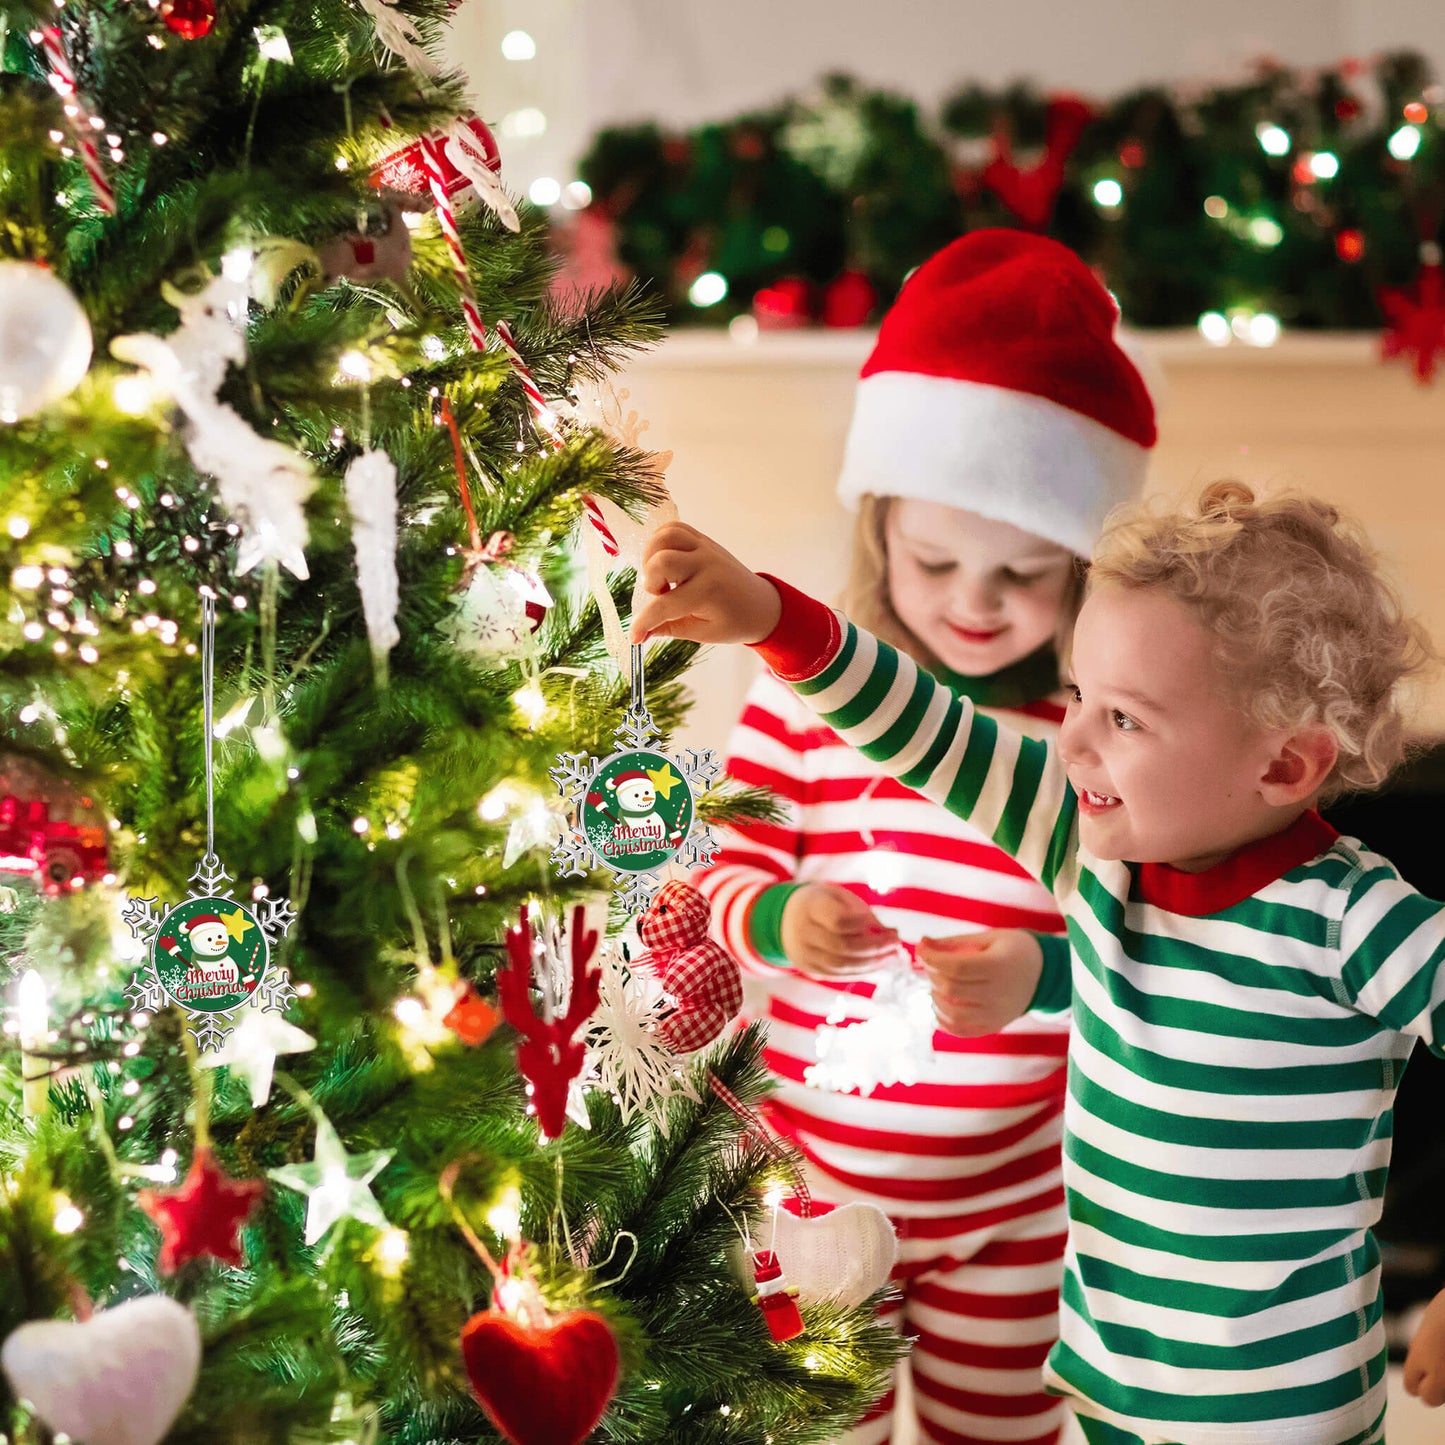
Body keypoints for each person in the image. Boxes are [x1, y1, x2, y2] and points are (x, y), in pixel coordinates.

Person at [634, 480, 1445, 1445]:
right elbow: (930, 731)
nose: (1071, 740)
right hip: (1108, 1386)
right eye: (1076, 695)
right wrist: (774, 619)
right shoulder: (1094, 856)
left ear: (1281, 766)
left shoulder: (1354, 921)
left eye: (1126, 720)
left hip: (1277, 1411)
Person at [697, 229, 1156, 1445]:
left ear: (1084, 575)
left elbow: (1146, 943)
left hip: (1022, 1207)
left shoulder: (1095, 741)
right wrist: (780, 916)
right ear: (879, 530)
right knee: (810, 1424)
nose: (973, 600)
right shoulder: (804, 700)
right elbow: (723, 874)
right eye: (937, 559)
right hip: (813, 1197)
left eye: (1024, 574)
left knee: (1000, 1434)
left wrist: (1033, 974)